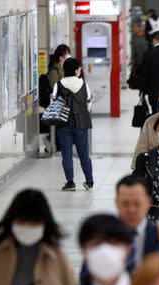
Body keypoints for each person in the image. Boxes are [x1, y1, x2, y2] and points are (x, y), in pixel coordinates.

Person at [115, 175, 159, 266]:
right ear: (116, 202)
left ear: (148, 202)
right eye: (125, 203)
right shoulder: (103, 238)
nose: (131, 210)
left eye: (137, 203)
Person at [53, 57, 94, 192]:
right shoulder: (84, 85)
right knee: (84, 154)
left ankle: (70, 182)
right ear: (76, 70)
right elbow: (89, 104)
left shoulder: (58, 85)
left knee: (67, 155)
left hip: (63, 124)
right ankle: (89, 181)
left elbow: (53, 103)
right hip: (81, 124)